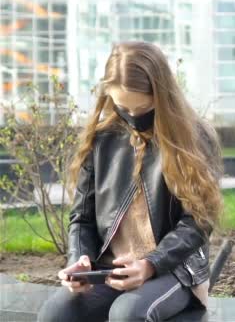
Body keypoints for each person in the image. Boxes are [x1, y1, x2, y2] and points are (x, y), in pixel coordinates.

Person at [37, 41, 224, 322]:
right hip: (111, 269)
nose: (134, 118)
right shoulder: (102, 139)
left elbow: (198, 221)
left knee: (127, 314)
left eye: (143, 108)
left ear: (161, 96)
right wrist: (80, 260)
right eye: (124, 108)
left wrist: (151, 264)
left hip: (174, 269)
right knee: (55, 314)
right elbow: (82, 217)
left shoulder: (194, 137)